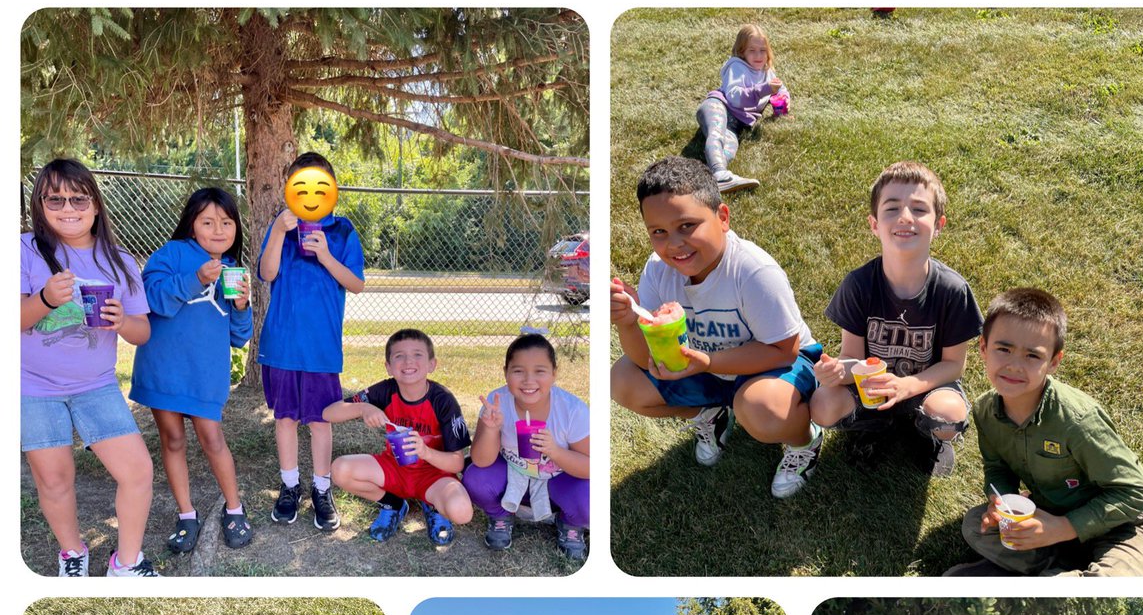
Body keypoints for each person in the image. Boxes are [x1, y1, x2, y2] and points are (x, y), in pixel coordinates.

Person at [610, 156, 824, 496]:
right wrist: (628, 322)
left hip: (776, 365)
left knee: (760, 409)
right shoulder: (657, 270)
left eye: (687, 226)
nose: (674, 244)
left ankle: (804, 441)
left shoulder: (753, 272)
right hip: (706, 366)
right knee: (622, 381)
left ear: (722, 217)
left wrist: (707, 363)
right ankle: (709, 412)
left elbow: (784, 350)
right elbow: (644, 359)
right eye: (659, 232)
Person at [950, 288, 1143, 576]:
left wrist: (1063, 528)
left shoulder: (1077, 420)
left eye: (1032, 356)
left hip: (1124, 524)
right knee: (975, 525)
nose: (1015, 365)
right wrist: (999, 501)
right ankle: (1061, 569)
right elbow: (997, 468)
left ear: (1053, 362)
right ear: (983, 349)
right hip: (1052, 513)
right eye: (1004, 349)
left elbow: (1134, 492)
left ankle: (1051, 572)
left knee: (1120, 582)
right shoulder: (986, 410)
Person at [20, 158, 157, 577]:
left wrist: (123, 321)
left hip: (96, 385)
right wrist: (44, 298)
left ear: (96, 205)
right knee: (55, 480)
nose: (68, 207)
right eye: (55, 198)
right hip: (32, 387)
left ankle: (127, 563)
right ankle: (73, 554)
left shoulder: (119, 261)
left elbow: (142, 333)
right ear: (39, 205)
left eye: (79, 198)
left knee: (137, 472)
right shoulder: (24, 249)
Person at [809, 160, 982, 477]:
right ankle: (874, 426)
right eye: (892, 209)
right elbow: (852, 357)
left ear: (939, 223)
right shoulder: (859, 285)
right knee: (822, 404)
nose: (905, 217)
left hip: (926, 387)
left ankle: (928, 435)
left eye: (919, 209)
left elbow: (954, 365)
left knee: (948, 416)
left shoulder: (952, 290)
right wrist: (837, 371)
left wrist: (907, 386)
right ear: (874, 224)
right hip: (871, 389)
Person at [130, 187, 253, 553]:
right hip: (164, 370)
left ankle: (235, 508)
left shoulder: (233, 268)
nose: (218, 230)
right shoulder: (170, 254)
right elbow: (153, 300)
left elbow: (239, 337)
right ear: (191, 224)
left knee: (213, 438)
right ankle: (186, 514)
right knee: (172, 439)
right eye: (208, 222)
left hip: (205, 374)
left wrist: (243, 306)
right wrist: (196, 278)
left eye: (227, 222)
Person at [257, 152, 365, 532]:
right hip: (282, 345)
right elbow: (266, 273)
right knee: (285, 417)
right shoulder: (280, 228)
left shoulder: (342, 231)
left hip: (321, 349)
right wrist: (279, 232)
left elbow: (356, 283)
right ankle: (290, 486)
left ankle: (322, 489)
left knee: (321, 420)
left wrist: (325, 255)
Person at [323, 328, 471, 546]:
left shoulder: (443, 400)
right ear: (389, 367)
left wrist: (425, 451)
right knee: (340, 469)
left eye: (417, 354)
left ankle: (432, 505)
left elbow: (457, 462)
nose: (408, 361)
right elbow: (329, 413)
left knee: (462, 512)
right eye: (399, 356)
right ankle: (393, 503)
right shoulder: (385, 390)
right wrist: (363, 408)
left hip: (434, 476)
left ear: (432, 364)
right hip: (394, 468)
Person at [464, 333, 589, 560]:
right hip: (515, 476)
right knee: (475, 478)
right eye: (518, 371)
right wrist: (491, 429)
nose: (528, 380)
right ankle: (501, 515)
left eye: (540, 371)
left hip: (558, 482)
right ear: (506, 373)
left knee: (591, 498)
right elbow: (481, 461)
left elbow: (592, 467)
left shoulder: (572, 410)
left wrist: (555, 451)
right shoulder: (497, 402)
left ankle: (570, 523)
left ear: (554, 374)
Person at [696, 23, 788, 194]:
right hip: (718, 106)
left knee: (729, 149)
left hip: (737, 123)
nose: (758, 55)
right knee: (716, 133)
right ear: (741, 51)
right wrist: (765, 89)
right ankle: (720, 174)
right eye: (752, 50)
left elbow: (780, 89)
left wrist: (782, 101)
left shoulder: (767, 72)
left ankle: (714, 178)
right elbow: (735, 98)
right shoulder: (736, 67)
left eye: (762, 50)